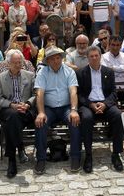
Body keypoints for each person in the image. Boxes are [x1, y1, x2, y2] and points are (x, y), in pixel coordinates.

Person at [76, 46, 124, 173]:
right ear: (87, 58)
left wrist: (105, 104)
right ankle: (88, 155)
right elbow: (79, 94)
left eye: (96, 56)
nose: (94, 58)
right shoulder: (81, 73)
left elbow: (114, 93)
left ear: (100, 56)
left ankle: (116, 154)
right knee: (86, 118)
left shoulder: (108, 71)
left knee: (118, 115)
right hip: (89, 105)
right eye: (91, 56)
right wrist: (91, 104)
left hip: (105, 104)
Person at [34, 46, 81, 174]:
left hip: (66, 107)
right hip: (49, 108)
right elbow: (39, 93)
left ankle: (75, 157)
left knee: (75, 121)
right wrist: (41, 112)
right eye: (53, 59)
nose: (56, 61)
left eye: (58, 57)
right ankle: (41, 159)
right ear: (48, 61)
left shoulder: (69, 71)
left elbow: (73, 91)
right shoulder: (42, 72)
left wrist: (73, 109)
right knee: (40, 123)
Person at [0, 50, 36, 178]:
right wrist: (12, 105)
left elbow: (36, 94)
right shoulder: (0, 78)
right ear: (8, 63)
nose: (18, 65)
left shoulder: (29, 75)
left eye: (20, 62)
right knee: (12, 116)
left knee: (11, 122)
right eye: (15, 62)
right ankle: (19, 149)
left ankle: (12, 159)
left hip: (26, 109)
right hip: (8, 108)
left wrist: (28, 104)